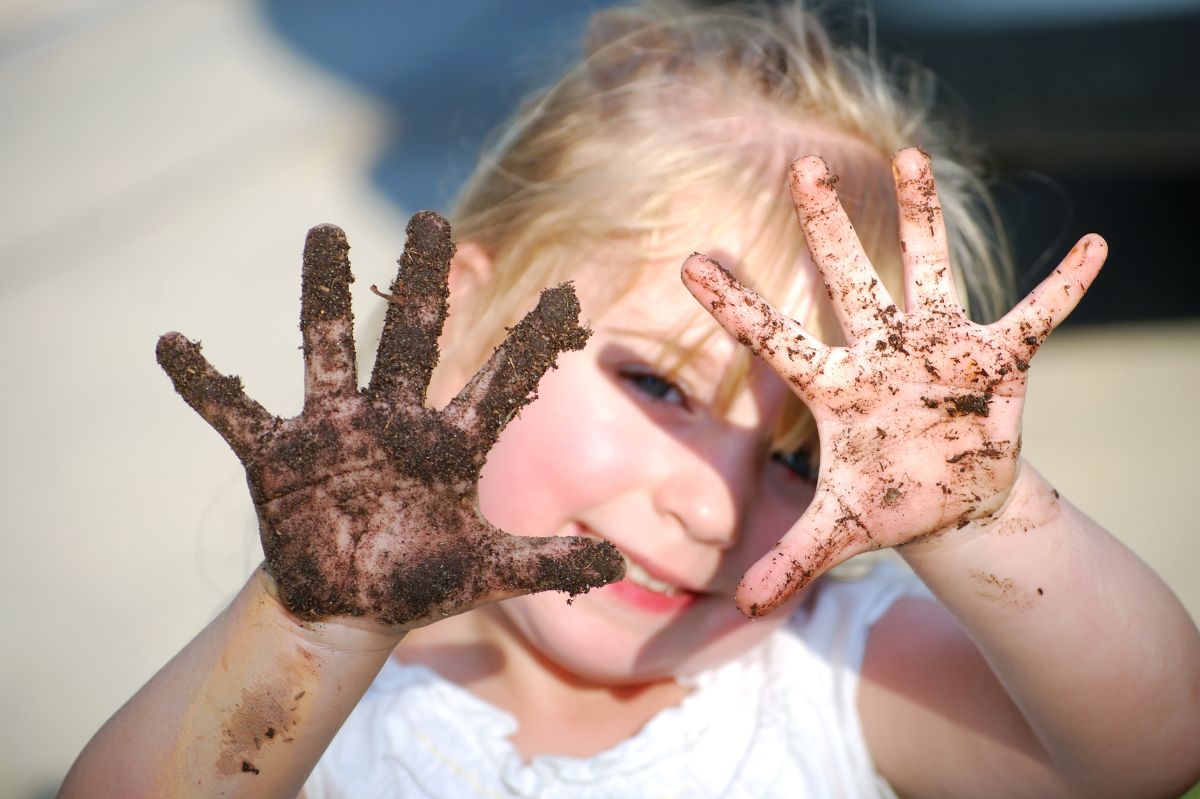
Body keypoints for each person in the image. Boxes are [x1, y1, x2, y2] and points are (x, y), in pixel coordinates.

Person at [61, 2, 1200, 797]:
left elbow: (1147, 750)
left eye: (805, 458)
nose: (711, 506)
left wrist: (982, 515)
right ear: (458, 319)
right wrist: (318, 622)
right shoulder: (329, 679)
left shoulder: (828, 670)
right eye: (659, 384)